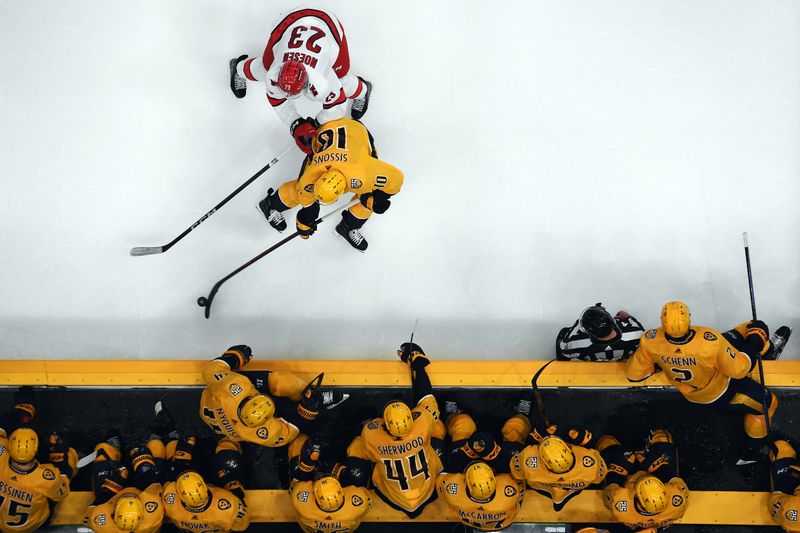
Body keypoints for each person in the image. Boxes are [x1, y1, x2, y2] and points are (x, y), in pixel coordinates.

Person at [625, 301, 781, 462]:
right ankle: (752, 453)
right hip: (719, 391)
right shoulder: (710, 341)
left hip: (689, 389)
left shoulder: (650, 341)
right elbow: (740, 370)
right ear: (689, 319)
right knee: (768, 405)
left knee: (745, 328)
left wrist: (661, 362)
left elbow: (634, 375)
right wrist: (755, 342)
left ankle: (768, 351)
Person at [229, 7, 372, 154]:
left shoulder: (322, 79)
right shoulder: (273, 73)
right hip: (290, 21)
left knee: (340, 78)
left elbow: (338, 105)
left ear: (307, 83)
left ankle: (363, 90)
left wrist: (316, 124)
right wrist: (296, 125)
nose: (288, 96)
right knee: (265, 69)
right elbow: (278, 101)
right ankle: (238, 68)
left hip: (328, 24)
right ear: (279, 73)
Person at [257, 117, 403, 251]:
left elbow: (397, 179)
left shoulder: (364, 173)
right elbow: (306, 195)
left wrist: (377, 197)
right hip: (329, 127)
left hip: (356, 131)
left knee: (367, 196)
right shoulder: (313, 173)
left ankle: (348, 227)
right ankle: (270, 204)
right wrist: (305, 219)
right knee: (299, 188)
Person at [345, 342, 446, 518]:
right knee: (435, 426)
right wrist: (418, 364)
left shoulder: (372, 434)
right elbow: (426, 396)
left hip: (393, 497)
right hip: (428, 491)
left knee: (357, 446)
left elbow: (372, 431)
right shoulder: (421, 425)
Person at [199, 345, 347, 447]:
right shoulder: (261, 433)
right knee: (284, 382)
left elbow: (210, 370)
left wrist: (235, 357)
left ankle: (306, 393)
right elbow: (289, 432)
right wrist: (307, 411)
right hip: (229, 426)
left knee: (281, 382)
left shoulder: (229, 388)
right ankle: (312, 397)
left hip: (213, 408)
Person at [436, 403, 525, 531]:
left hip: (472, 504)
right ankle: (521, 416)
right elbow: (519, 472)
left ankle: (452, 416)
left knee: (462, 429)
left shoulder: (454, 492)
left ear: (465, 481)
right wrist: (493, 454)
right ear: (495, 480)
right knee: (515, 444)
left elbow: (441, 475)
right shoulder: (509, 491)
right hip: (502, 505)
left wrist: (465, 451)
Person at [0, 388, 76, 533]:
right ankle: (24, 412)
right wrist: (59, 461)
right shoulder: (47, 477)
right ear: (36, 448)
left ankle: (23, 413)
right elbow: (62, 493)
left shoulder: (2, 455)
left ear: (10, 446)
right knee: (69, 457)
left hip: (3, 524)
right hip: (35, 525)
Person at [506, 410, 605, 511]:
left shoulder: (527, 459)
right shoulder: (590, 462)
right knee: (606, 442)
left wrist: (538, 434)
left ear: (545, 463)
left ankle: (522, 414)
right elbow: (599, 478)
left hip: (543, 488)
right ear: (569, 449)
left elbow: (516, 472)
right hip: (571, 489)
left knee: (514, 434)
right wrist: (581, 438)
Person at [599, 429, 688, 530]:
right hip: (653, 477)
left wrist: (620, 466)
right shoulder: (677, 501)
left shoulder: (621, 504)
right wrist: (655, 466)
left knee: (606, 443)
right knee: (662, 437)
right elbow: (674, 480)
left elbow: (609, 492)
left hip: (629, 480)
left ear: (638, 496)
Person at [288, 434, 372, 533]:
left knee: (300, 445)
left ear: (315, 495)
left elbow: (296, 482)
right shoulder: (358, 502)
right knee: (358, 464)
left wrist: (306, 465)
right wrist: (341, 473)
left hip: (309, 518)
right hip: (347, 511)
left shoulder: (302, 503)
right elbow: (366, 496)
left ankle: (300, 436)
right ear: (341, 491)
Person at [556, 303, 645, 362]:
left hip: (593, 368)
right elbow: (641, 330)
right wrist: (628, 317)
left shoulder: (575, 345)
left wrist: (579, 323)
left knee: (563, 331)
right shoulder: (637, 334)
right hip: (622, 365)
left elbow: (563, 350)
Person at [769, 438, 800, 532]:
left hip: (786, 491)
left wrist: (795, 474)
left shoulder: (791, 508)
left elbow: (776, 498)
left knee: (780, 448)